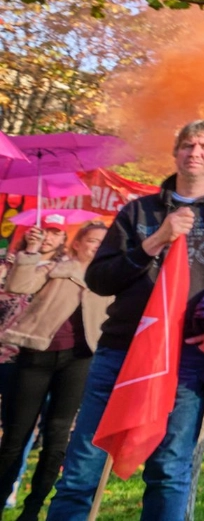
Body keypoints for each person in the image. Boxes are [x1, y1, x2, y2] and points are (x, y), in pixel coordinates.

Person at [47, 120, 204, 521]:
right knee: (81, 470)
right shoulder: (139, 211)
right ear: (175, 154)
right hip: (120, 352)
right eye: (187, 145)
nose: (195, 152)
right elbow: (100, 279)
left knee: (169, 470)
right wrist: (155, 241)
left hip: (188, 358)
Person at [0, 222, 108, 521]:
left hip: (79, 361)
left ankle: (33, 509)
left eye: (103, 242)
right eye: (92, 240)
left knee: (57, 437)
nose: (97, 246)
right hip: (36, 357)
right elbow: (18, 285)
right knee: (15, 437)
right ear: (77, 244)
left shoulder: (107, 278)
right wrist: (31, 251)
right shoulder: (54, 268)